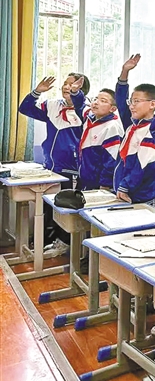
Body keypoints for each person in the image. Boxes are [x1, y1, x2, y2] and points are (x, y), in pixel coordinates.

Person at [19, 72, 89, 250]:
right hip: (50, 167)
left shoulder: (86, 110)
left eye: (72, 84)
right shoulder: (52, 105)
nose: (66, 87)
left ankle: (65, 243)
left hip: (71, 168)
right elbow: (25, 109)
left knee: (66, 206)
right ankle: (47, 240)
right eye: (65, 83)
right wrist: (37, 92)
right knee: (48, 206)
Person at [113, 55, 155, 204]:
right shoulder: (133, 125)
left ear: (152, 104)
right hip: (121, 190)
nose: (131, 106)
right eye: (131, 101)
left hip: (139, 196)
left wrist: (125, 186)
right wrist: (124, 72)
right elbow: (121, 101)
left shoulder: (154, 130)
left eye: (136, 101)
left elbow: (145, 164)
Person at [77, 88, 124, 190]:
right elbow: (79, 105)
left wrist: (105, 184)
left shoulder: (112, 127)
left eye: (103, 101)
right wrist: (75, 92)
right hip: (85, 178)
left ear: (113, 109)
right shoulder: (90, 118)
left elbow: (111, 159)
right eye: (95, 99)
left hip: (99, 183)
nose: (96, 102)